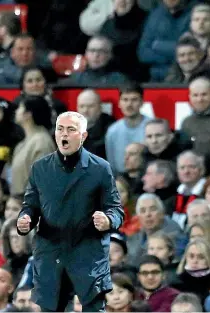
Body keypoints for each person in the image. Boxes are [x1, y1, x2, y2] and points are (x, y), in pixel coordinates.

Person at [17, 111, 124, 311]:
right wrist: (25, 220)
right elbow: (30, 205)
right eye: (60, 129)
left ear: (83, 136)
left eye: (71, 130)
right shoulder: (40, 168)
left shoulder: (100, 168)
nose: (64, 134)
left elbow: (116, 209)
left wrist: (108, 220)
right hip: (52, 251)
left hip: (88, 251)